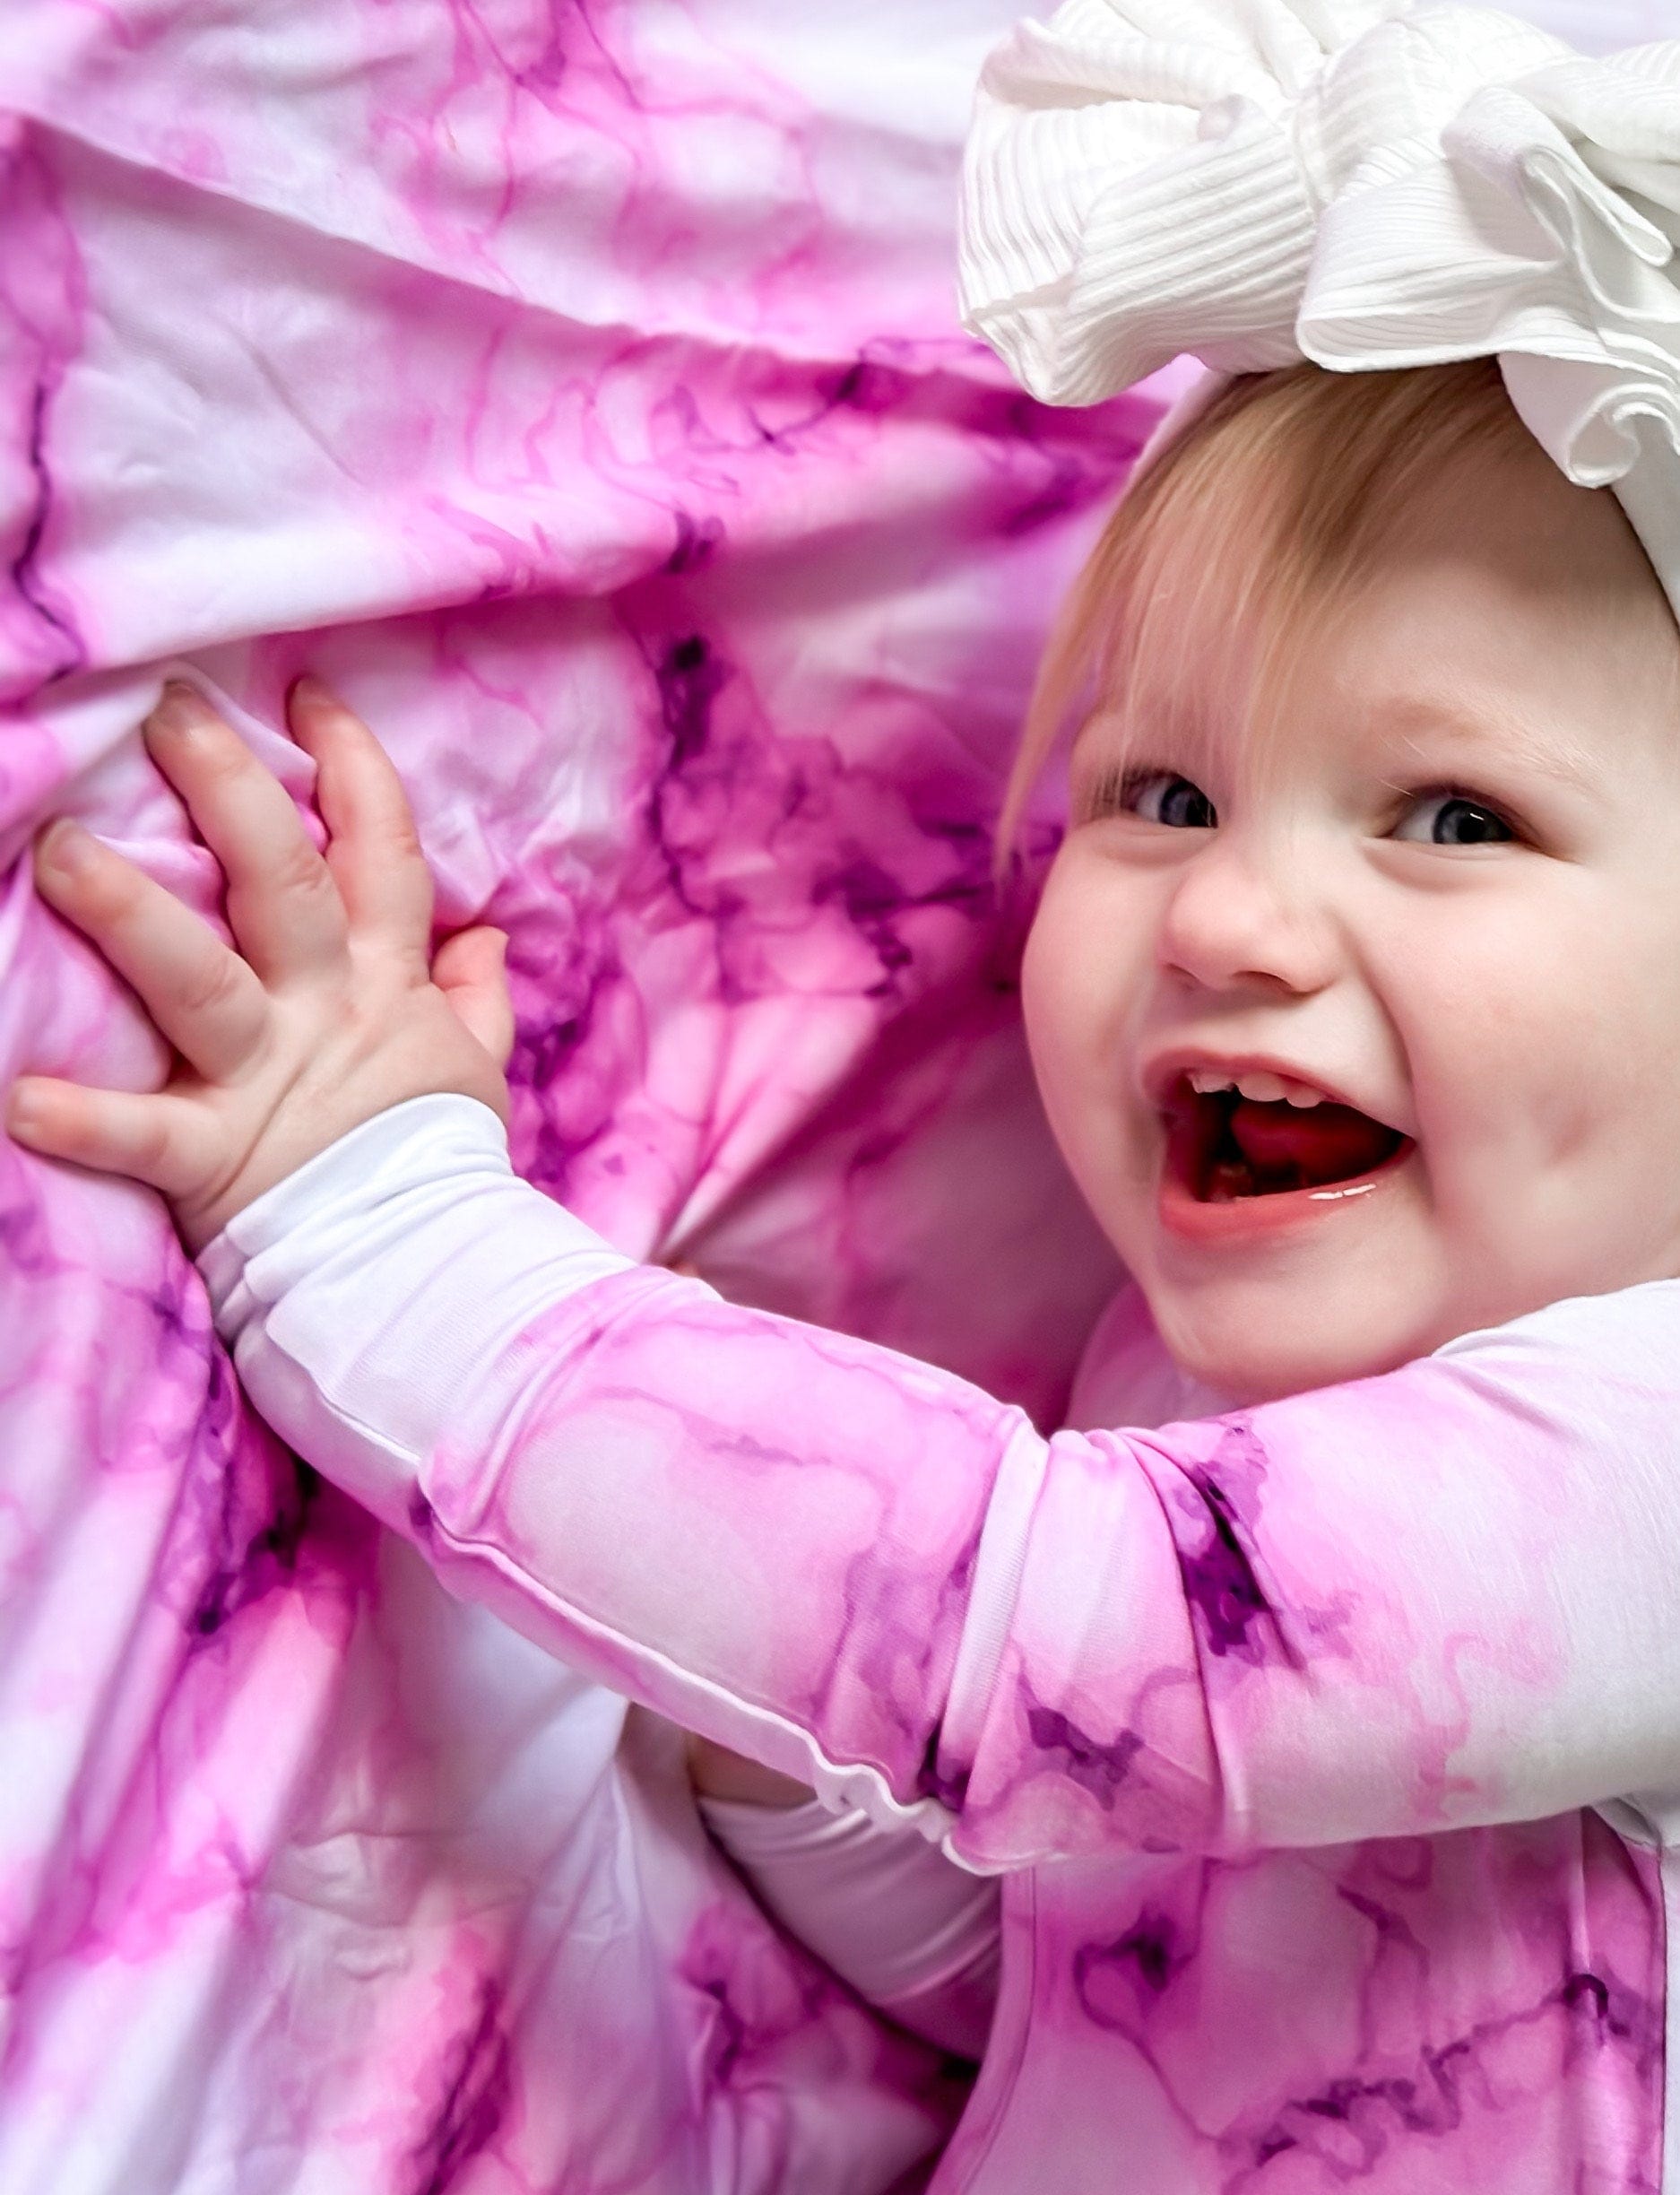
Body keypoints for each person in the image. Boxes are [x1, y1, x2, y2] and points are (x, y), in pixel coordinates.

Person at [13, 2, 1680, 2185]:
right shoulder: (1163, 1396)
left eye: (1453, 820)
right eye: (1159, 793)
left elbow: (1091, 1668)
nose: (1226, 924)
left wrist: (375, 1229)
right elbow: (1083, 1986)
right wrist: (777, 1758)